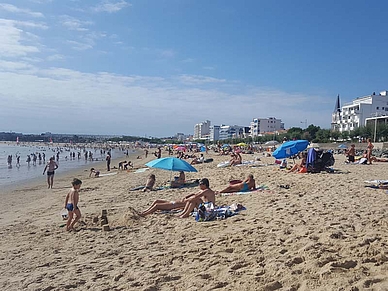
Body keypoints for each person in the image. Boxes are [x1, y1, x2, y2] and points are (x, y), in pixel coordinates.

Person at [139, 178, 215, 217]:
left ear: (204, 185)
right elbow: (195, 194)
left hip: (207, 209)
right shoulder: (204, 190)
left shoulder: (206, 191)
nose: (199, 186)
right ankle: (144, 212)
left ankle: (144, 214)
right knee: (156, 201)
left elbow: (196, 197)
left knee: (157, 205)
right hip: (199, 205)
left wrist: (187, 199)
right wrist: (186, 196)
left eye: (200, 184)